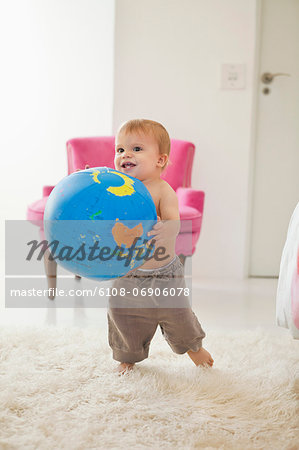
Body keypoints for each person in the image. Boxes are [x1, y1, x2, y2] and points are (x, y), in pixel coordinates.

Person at [108, 119, 214, 374]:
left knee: (177, 315)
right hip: (127, 272)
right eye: (120, 149)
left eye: (136, 149)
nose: (125, 155)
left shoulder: (161, 189)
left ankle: (193, 347)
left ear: (160, 160)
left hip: (163, 274)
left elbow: (173, 222)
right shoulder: (115, 186)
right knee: (123, 315)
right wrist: (92, 186)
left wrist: (166, 227)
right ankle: (128, 356)